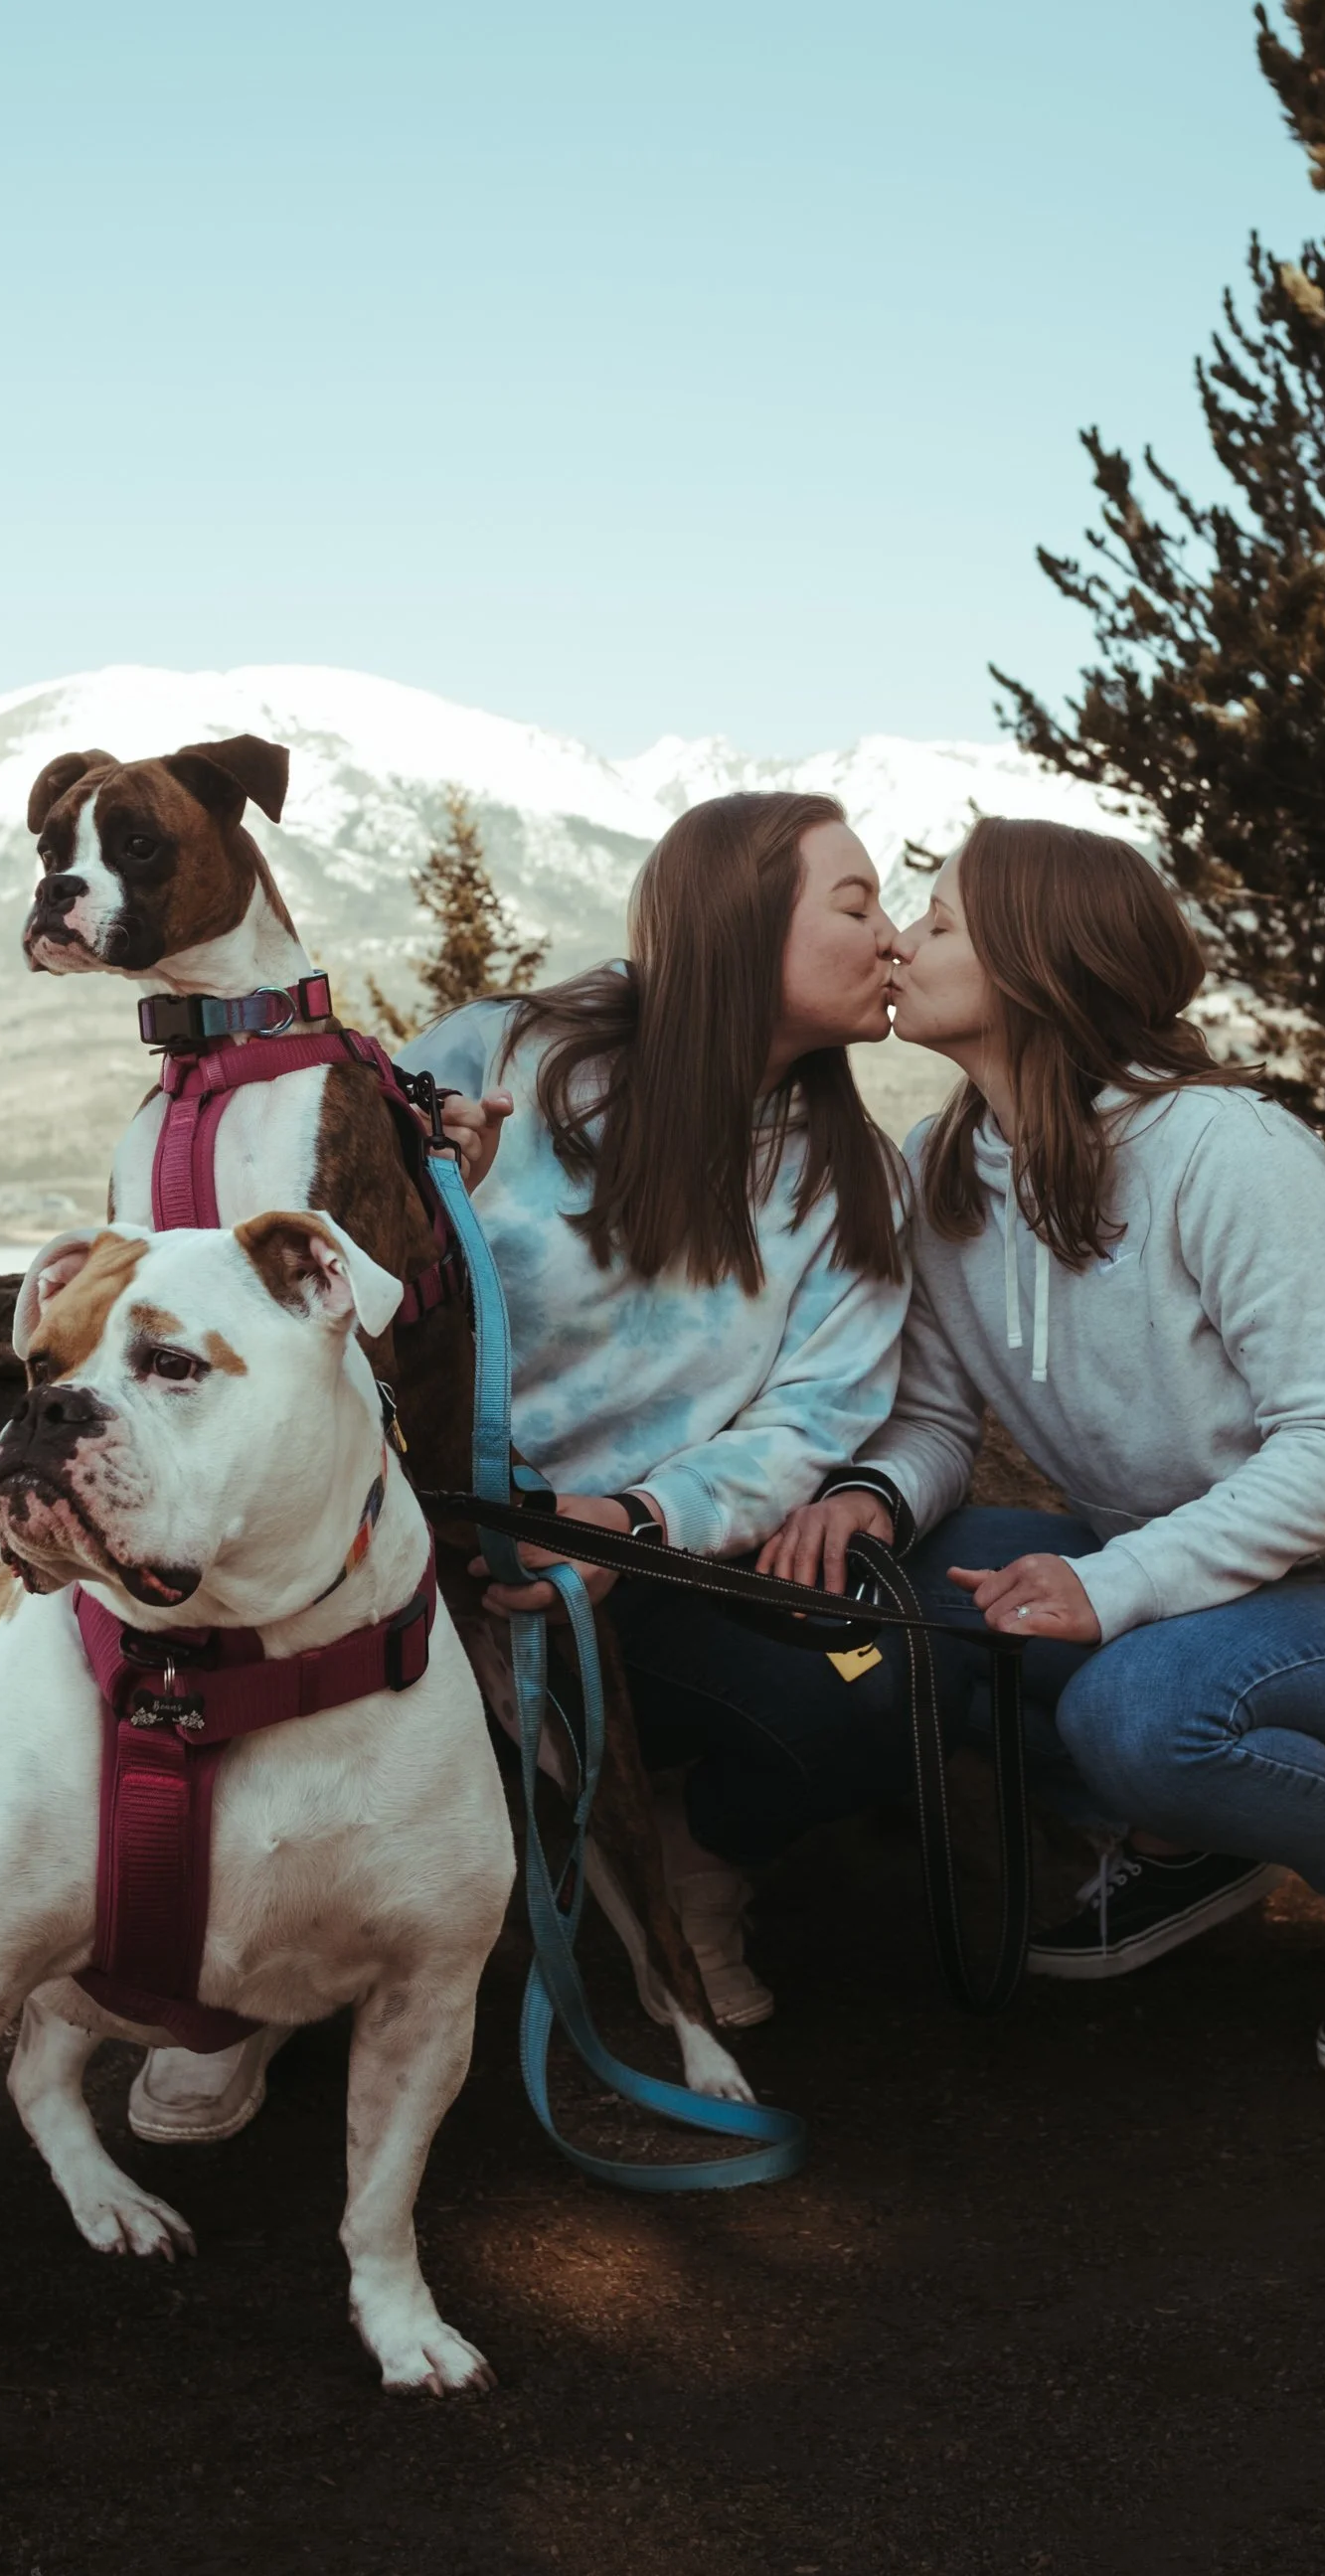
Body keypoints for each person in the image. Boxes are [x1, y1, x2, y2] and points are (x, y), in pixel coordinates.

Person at [768, 817, 1325, 2074]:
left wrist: (1107, 1589)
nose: (898, 941)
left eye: (937, 923)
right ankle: (1189, 1836)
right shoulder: (941, 1166)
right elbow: (940, 1418)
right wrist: (870, 1499)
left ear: (1037, 965)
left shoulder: (1225, 1151)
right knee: (902, 1590)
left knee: (1134, 1705)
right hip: (1188, 1598)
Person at [424, 790, 911, 2025]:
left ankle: (695, 1863)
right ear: (740, 924)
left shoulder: (856, 1177)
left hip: (640, 1567)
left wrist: (626, 1527)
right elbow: (313, 1263)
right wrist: (428, 1181)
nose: (891, 938)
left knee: (868, 1680)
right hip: (397, 1555)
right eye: (855, 904)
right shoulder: (495, 1054)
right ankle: (230, 1997)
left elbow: (809, 1420)